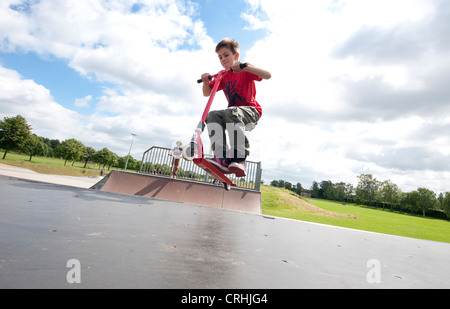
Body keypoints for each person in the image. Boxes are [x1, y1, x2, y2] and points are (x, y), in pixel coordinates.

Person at [200, 38, 271, 177]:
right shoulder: (223, 75)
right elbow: (207, 93)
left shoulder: (244, 69)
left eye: (226, 55)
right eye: (220, 57)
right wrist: (205, 82)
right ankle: (221, 158)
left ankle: (239, 158)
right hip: (232, 115)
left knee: (231, 111)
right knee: (212, 115)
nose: (223, 59)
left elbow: (268, 75)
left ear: (236, 56)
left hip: (251, 112)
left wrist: (246, 67)